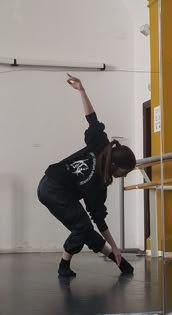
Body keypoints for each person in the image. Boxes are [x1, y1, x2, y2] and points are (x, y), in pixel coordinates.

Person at [37, 74, 136, 277]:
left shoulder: (100, 183)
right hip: (52, 185)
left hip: (55, 187)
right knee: (82, 225)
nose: (123, 176)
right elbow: (92, 118)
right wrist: (82, 91)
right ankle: (64, 265)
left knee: (85, 228)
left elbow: (100, 220)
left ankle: (118, 261)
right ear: (115, 164)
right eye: (123, 172)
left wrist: (115, 248)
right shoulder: (101, 145)